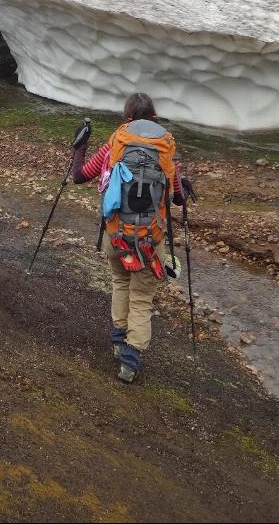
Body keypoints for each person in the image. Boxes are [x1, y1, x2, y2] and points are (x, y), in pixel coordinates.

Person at [70, 92, 193, 383]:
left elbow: (80, 175)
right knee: (142, 297)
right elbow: (177, 197)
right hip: (150, 242)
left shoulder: (116, 141)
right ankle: (130, 361)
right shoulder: (165, 147)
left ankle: (117, 341)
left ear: (127, 118)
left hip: (117, 236)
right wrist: (184, 186)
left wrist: (80, 145)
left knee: (120, 282)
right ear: (154, 117)